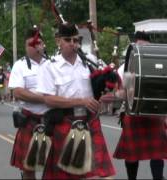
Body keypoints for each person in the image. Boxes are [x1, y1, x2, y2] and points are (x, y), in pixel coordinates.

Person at [36, 23, 115, 179]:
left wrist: (107, 94)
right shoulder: (49, 67)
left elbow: (110, 83)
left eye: (76, 40)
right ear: (58, 41)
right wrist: (81, 101)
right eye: (68, 40)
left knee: (101, 173)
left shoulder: (91, 62)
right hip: (65, 122)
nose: (73, 43)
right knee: (68, 175)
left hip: (91, 121)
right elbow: (48, 100)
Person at [103, 31, 166, 180]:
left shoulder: (161, 64)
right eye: (140, 47)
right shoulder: (123, 68)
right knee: (132, 155)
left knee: (158, 153)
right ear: (134, 48)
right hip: (133, 114)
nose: (143, 51)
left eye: (146, 47)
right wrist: (116, 96)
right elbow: (121, 93)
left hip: (154, 114)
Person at [9, 26, 49, 179]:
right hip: (30, 120)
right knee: (28, 167)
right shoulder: (20, 65)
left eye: (36, 43)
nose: (33, 47)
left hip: (52, 120)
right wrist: (45, 98)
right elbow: (18, 92)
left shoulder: (52, 64)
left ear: (42, 45)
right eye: (29, 45)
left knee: (53, 165)